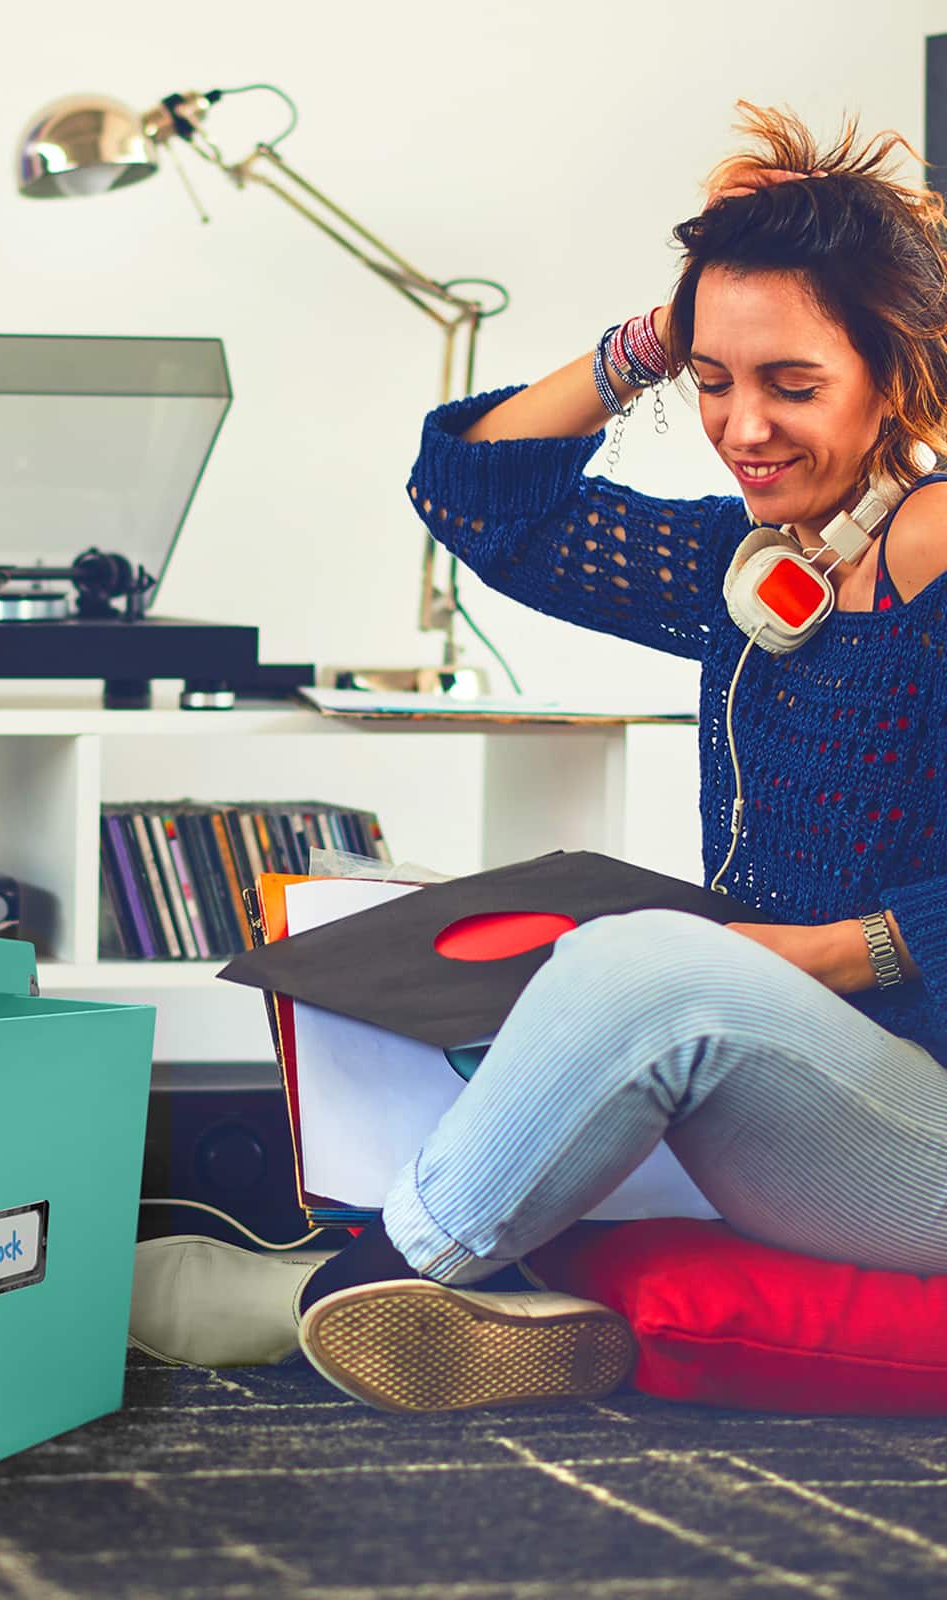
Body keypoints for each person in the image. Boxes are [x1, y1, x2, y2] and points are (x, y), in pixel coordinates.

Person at [129, 103, 947, 1414]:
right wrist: (656, 341)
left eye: (792, 385)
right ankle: (506, 1293)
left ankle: (335, 1294)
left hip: (917, 1117)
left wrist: (830, 954)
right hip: (811, 1080)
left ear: (897, 374)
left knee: (645, 966)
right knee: (419, 940)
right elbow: (479, 496)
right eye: (714, 382)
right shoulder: (757, 566)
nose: (742, 427)